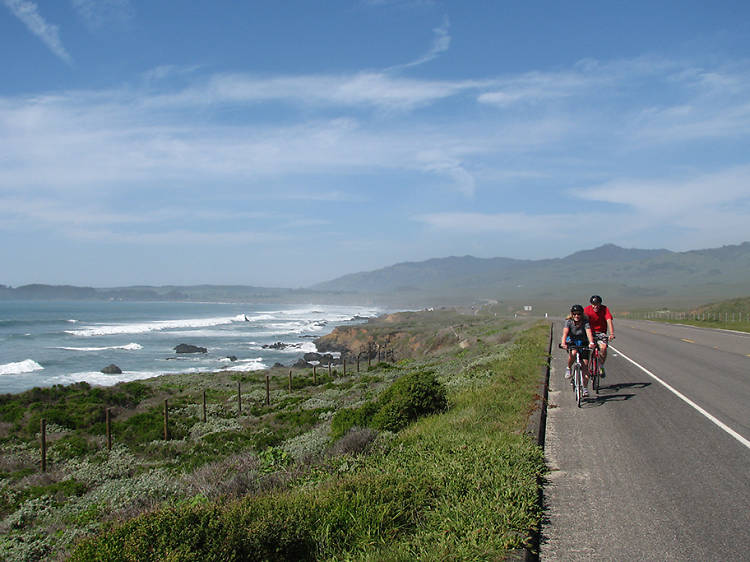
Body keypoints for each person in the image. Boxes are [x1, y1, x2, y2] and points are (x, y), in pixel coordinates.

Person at [561, 304, 596, 397]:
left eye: (579, 314)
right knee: (574, 352)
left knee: (585, 368)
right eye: (575, 314)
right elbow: (565, 333)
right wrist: (563, 343)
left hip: (583, 342)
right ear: (572, 314)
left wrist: (591, 342)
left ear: (582, 314)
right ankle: (568, 368)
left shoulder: (585, 322)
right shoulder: (569, 322)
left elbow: (589, 333)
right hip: (573, 342)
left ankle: (584, 388)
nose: (577, 316)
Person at [584, 295, 615, 377]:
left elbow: (609, 320)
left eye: (597, 304)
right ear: (591, 304)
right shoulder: (587, 310)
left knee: (603, 348)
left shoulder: (604, 309)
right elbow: (582, 320)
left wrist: (611, 333)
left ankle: (601, 366)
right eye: (594, 304)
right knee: (588, 349)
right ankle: (586, 367)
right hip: (590, 332)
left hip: (601, 333)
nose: (596, 306)